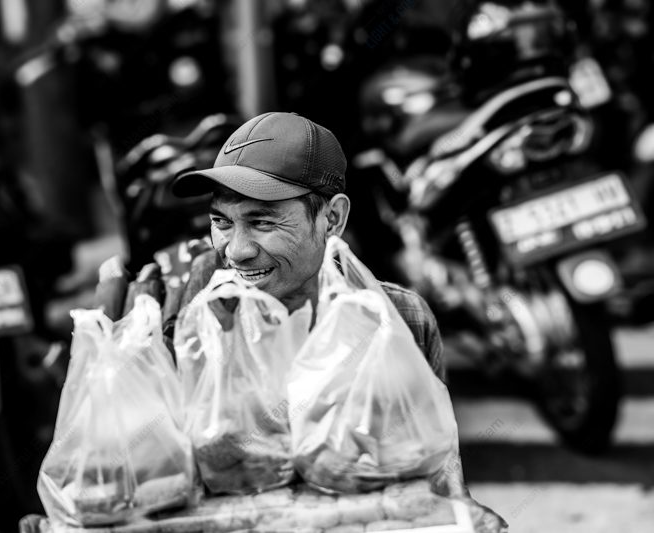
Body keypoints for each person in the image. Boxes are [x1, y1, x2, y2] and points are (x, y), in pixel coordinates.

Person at [95, 111, 506, 531]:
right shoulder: (193, 321)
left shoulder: (396, 319)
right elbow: (145, 480)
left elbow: (436, 480)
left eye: (262, 222)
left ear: (333, 218)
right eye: (221, 222)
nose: (236, 251)